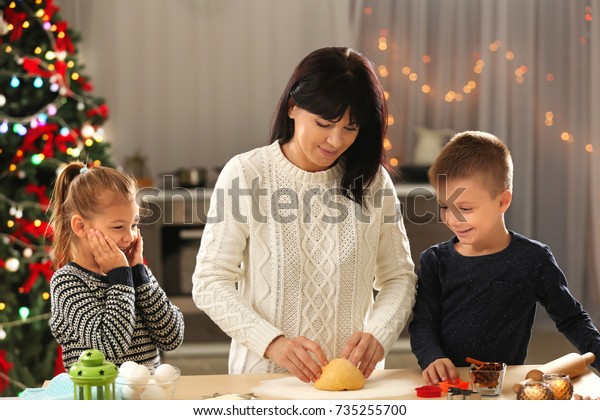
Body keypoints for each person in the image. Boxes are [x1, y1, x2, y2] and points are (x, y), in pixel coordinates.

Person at [192, 46, 417, 383]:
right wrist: (273, 344)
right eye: (324, 123)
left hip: (352, 384)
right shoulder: (247, 174)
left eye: (351, 128)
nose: (336, 140)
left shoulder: (372, 182)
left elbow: (399, 277)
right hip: (263, 380)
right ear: (293, 107)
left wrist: (379, 335)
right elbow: (209, 282)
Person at [408, 130, 600, 385]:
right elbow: (423, 324)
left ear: (502, 202)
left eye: (465, 208)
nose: (453, 219)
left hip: (503, 388)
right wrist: (431, 357)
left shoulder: (533, 259)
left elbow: (572, 319)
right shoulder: (434, 261)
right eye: (444, 206)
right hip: (448, 386)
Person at [48, 162, 185, 371]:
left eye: (134, 224)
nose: (130, 236)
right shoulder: (67, 282)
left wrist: (138, 274)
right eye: (118, 226)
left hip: (146, 396)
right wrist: (120, 277)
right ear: (80, 226)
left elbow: (172, 338)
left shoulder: (136, 274)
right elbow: (110, 347)